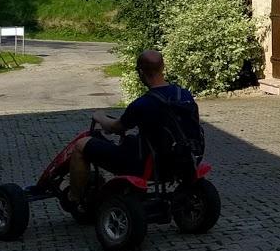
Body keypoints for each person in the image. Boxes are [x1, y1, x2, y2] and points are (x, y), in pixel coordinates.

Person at [67, 50, 202, 204]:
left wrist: (100, 117)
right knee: (130, 141)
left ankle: (75, 198)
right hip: (183, 159)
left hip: (146, 164)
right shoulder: (184, 95)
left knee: (81, 145)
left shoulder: (143, 104)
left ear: (141, 72)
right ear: (162, 67)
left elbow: (117, 127)